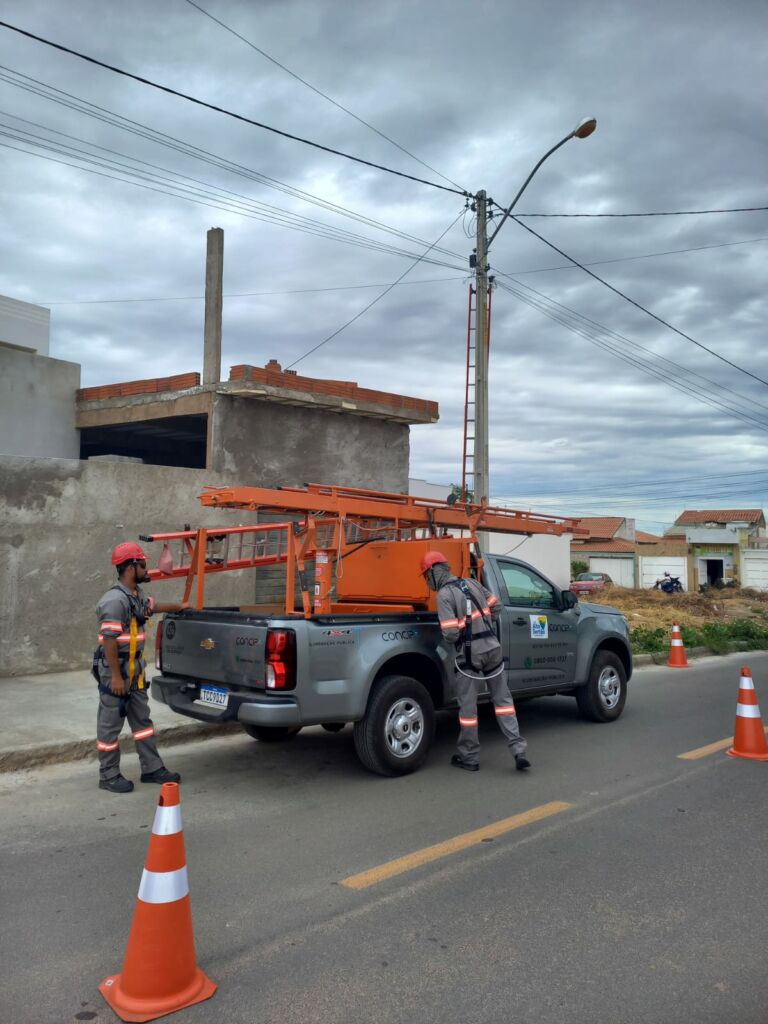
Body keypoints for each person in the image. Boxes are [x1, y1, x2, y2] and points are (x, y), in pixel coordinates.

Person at [420, 550, 531, 773]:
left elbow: (450, 634)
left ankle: (469, 757)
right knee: (503, 703)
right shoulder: (471, 583)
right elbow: (496, 607)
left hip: (470, 657)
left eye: (425, 577)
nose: (427, 582)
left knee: (468, 710)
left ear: (433, 573)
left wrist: (461, 636)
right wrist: (482, 626)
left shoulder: (444, 595)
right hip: (493, 650)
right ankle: (519, 750)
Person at [94, 541, 188, 793]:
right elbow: (109, 642)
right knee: (110, 726)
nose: (148, 570)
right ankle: (109, 775)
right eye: (143, 565)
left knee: (142, 723)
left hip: (134, 673)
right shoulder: (114, 601)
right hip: (116, 672)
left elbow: (153, 607)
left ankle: (152, 768)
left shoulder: (136, 596)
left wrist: (179, 607)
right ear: (130, 567)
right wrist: (115, 676)